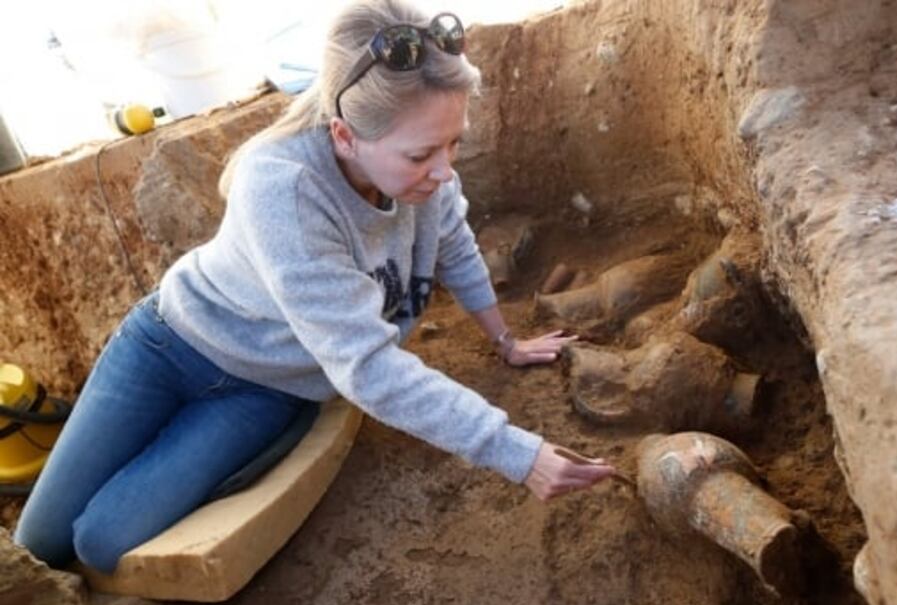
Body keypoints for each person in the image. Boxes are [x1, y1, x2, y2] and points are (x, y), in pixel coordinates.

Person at [14, 0, 614, 575]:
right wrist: (517, 452)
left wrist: (505, 340)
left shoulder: (423, 181)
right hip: (167, 345)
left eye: (453, 143)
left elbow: (451, 240)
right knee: (38, 542)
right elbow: (369, 368)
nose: (444, 170)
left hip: (266, 386)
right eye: (421, 154)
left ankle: (275, 430)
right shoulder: (284, 190)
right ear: (345, 136)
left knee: (99, 540)